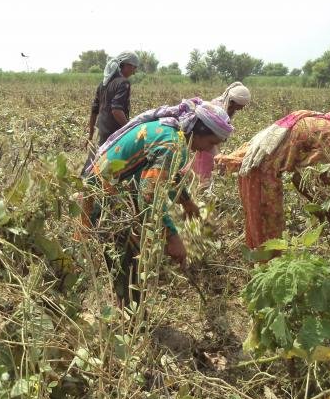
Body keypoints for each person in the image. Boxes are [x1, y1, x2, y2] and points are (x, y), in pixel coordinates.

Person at [82, 101, 234, 305]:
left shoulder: (172, 132)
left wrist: (186, 202)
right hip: (104, 198)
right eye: (211, 142)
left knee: (129, 260)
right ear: (198, 132)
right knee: (127, 264)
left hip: (112, 189)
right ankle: (129, 319)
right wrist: (172, 237)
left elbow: (165, 175)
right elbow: (148, 195)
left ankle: (128, 312)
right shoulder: (172, 145)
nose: (210, 150)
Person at [215, 109, 330, 250]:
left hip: (257, 164)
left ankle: (260, 263)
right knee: (270, 223)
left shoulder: (327, 126)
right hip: (261, 170)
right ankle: (267, 268)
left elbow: (306, 179)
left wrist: (319, 205)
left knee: (261, 221)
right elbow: (300, 180)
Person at [82, 51, 139, 172]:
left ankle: (83, 185)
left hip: (100, 131)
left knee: (92, 163)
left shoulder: (103, 83)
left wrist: (91, 135)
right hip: (112, 132)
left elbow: (94, 110)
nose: (134, 72)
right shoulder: (123, 83)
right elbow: (116, 110)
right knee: (108, 167)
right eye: (134, 67)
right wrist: (129, 129)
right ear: (125, 65)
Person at [191, 82, 251, 185]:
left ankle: (199, 182)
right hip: (205, 142)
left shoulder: (230, 107)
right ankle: (201, 187)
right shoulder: (217, 107)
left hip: (210, 142)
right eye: (240, 106)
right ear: (232, 101)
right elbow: (210, 134)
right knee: (205, 167)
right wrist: (217, 153)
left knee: (209, 165)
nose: (241, 108)